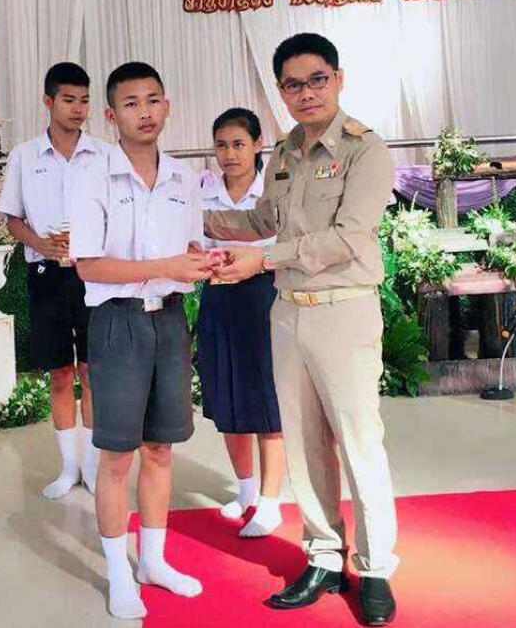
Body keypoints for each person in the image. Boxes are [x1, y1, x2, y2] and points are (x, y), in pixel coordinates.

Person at [205, 33, 399, 625]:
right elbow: (264, 218)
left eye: (317, 79)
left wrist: (263, 259)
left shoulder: (366, 150)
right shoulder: (285, 154)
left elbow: (349, 237)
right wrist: (179, 216)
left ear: (338, 78)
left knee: (358, 441)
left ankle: (374, 567)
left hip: (344, 310)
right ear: (281, 91)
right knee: (304, 441)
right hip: (288, 311)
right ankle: (322, 555)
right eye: (293, 84)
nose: (307, 92)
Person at [70, 61, 210, 620]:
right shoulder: (92, 177)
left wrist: (206, 263)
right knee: (116, 457)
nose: (144, 112)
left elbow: (190, 250)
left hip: (169, 321)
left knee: (160, 449)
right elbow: (89, 266)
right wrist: (165, 266)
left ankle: (153, 561)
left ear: (167, 106)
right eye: (131, 103)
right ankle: (118, 573)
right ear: (111, 115)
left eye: (153, 100)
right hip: (117, 323)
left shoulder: (183, 178)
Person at [0, 61, 103, 499]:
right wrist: (42, 244)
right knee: (60, 373)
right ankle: (68, 467)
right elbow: (12, 219)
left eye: (84, 101)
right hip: (45, 275)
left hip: (94, 274)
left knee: (92, 370)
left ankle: (93, 468)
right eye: (68, 100)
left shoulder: (103, 154)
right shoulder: (24, 156)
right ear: (48, 101)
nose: (78, 109)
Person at [198, 107, 284, 538]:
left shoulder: (274, 191)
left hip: (264, 298)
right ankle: (246, 489)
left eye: (238, 144)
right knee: (227, 395)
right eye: (221, 145)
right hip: (218, 298)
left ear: (257, 145)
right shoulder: (202, 191)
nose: (229, 154)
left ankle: (271, 502)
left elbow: (285, 246)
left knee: (266, 400)